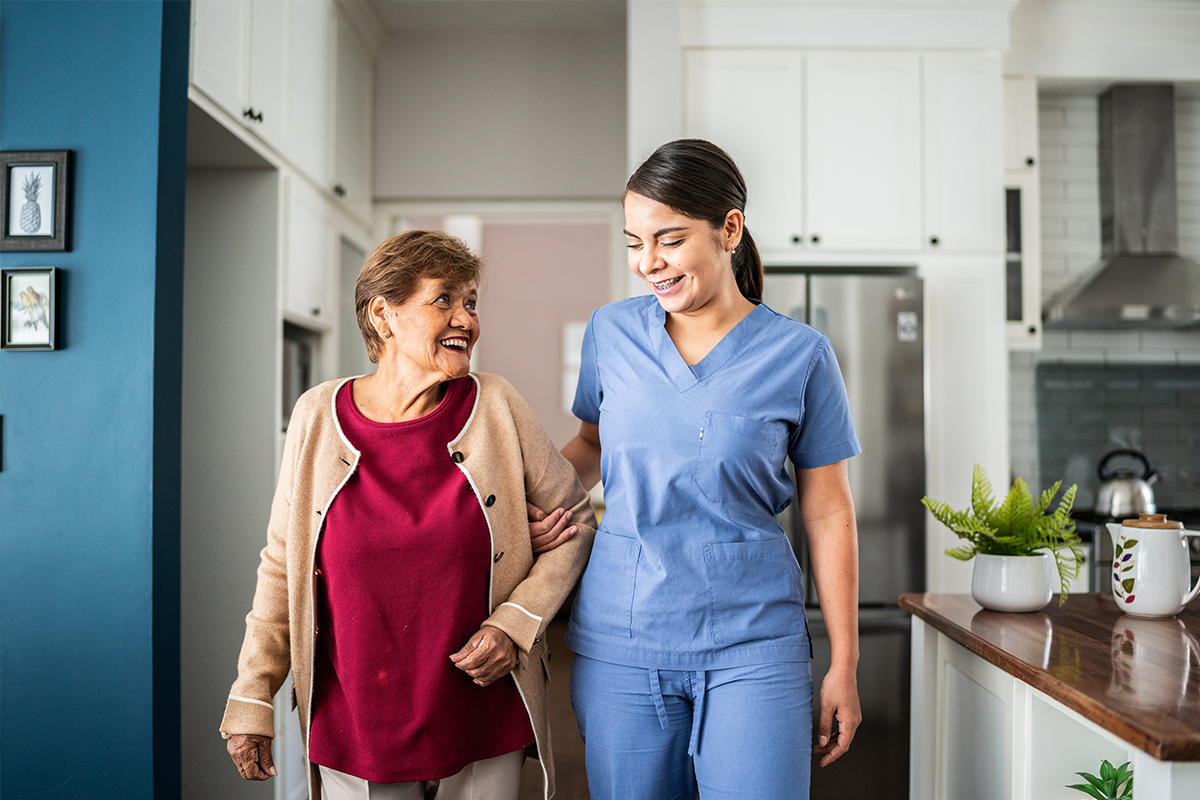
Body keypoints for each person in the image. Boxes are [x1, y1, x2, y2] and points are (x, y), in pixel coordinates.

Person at [220, 230, 596, 800]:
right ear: (383, 314)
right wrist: (251, 693)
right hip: (355, 722)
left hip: (481, 713)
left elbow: (574, 524)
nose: (465, 318)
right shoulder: (317, 416)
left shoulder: (495, 405)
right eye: (443, 299)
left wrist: (514, 624)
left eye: (471, 301)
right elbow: (282, 565)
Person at [559, 139, 862, 799]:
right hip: (623, 638)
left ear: (730, 229)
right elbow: (590, 445)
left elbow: (829, 510)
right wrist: (519, 502)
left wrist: (846, 662)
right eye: (634, 242)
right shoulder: (610, 333)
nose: (648, 263)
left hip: (754, 642)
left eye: (669, 240)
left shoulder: (801, 355)